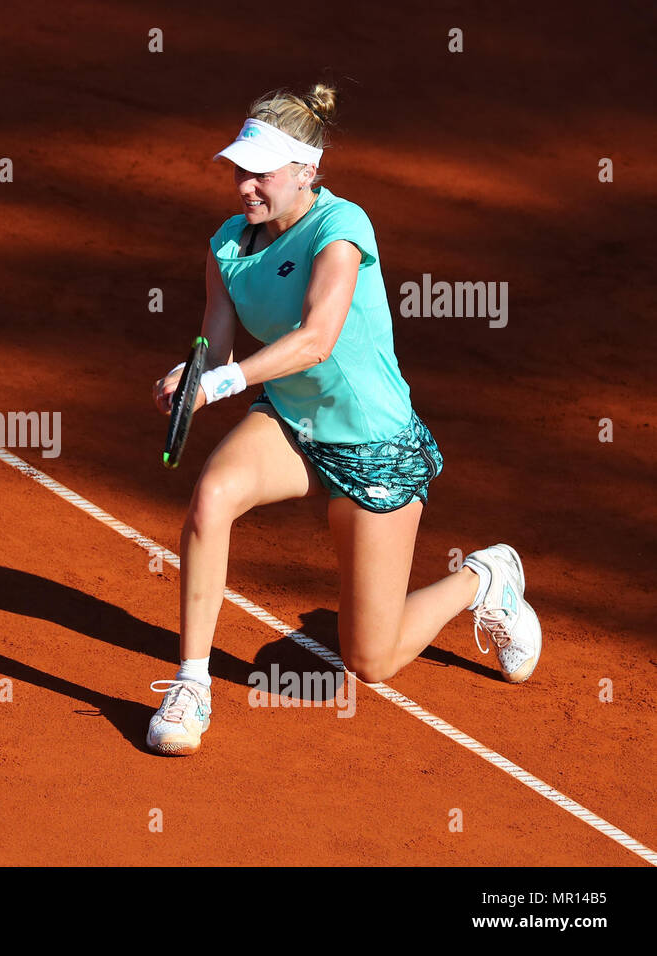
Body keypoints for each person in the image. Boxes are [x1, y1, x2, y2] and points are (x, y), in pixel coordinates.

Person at [146, 83, 541, 757]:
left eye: (262, 172)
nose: (245, 186)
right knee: (212, 496)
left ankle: (486, 578)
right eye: (240, 169)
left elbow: (317, 338)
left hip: (371, 442)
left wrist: (219, 383)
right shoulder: (227, 246)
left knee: (369, 662)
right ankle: (191, 685)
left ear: (307, 170)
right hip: (293, 422)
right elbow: (215, 338)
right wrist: (192, 374)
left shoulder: (343, 228)